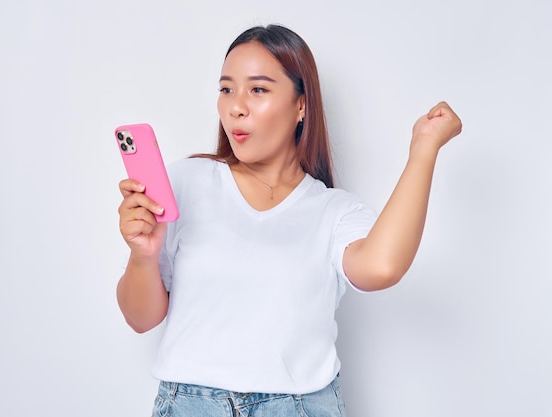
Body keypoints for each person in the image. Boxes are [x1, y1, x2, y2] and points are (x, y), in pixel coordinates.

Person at [116, 24, 462, 417]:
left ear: (302, 105)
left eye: (258, 89)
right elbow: (140, 319)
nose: (236, 106)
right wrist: (143, 255)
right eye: (226, 89)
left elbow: (381, 267)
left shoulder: (334, 211)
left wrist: (424, 149)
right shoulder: (185, 182)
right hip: (190, 406)